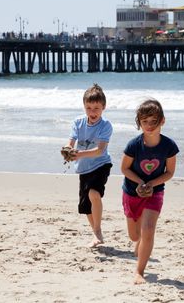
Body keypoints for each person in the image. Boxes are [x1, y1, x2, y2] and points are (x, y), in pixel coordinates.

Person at [121, 99, 179, 284]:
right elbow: (125, 169)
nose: (149, 125)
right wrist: (140, 183)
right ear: (139, 122)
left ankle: (139, 271)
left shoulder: (169, 146)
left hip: (155, 192)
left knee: (148, 230)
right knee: (135, 235)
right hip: (131, 192)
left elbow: (169, 172)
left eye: (154, 121)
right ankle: (139, 242)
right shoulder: (133, 145)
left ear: (163, 121)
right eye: (145, 121)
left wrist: (151, 184)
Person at [64, 83, 113, 248]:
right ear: (84, 107)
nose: (92, 112)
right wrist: (68, 150)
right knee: (85, 207)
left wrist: (79, 154)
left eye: (96, 108)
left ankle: (97, 230)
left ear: (103, 107)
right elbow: (70, 142)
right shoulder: (78, 122)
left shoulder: (106, 125)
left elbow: (100, 150)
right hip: (84, 167)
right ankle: (96, 234)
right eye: (89, 108)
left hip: (101, 164)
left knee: (94, 193)